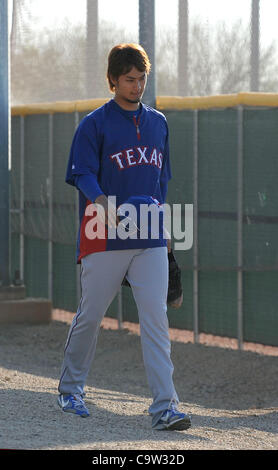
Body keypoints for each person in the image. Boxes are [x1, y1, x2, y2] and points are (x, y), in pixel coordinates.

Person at [57, 43, 191, 431]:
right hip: (104, 231)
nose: (137, 85)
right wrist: (101, 201)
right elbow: (81, 173)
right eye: (129, 79)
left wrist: (164, 229)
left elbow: (160, 180)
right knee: (91, 315)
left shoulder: (158, 123)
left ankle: (165, 407)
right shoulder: (94, 123)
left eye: (141, 78)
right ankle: (71, 388)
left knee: (155, 317)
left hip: (148, 230)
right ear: (113, 79)